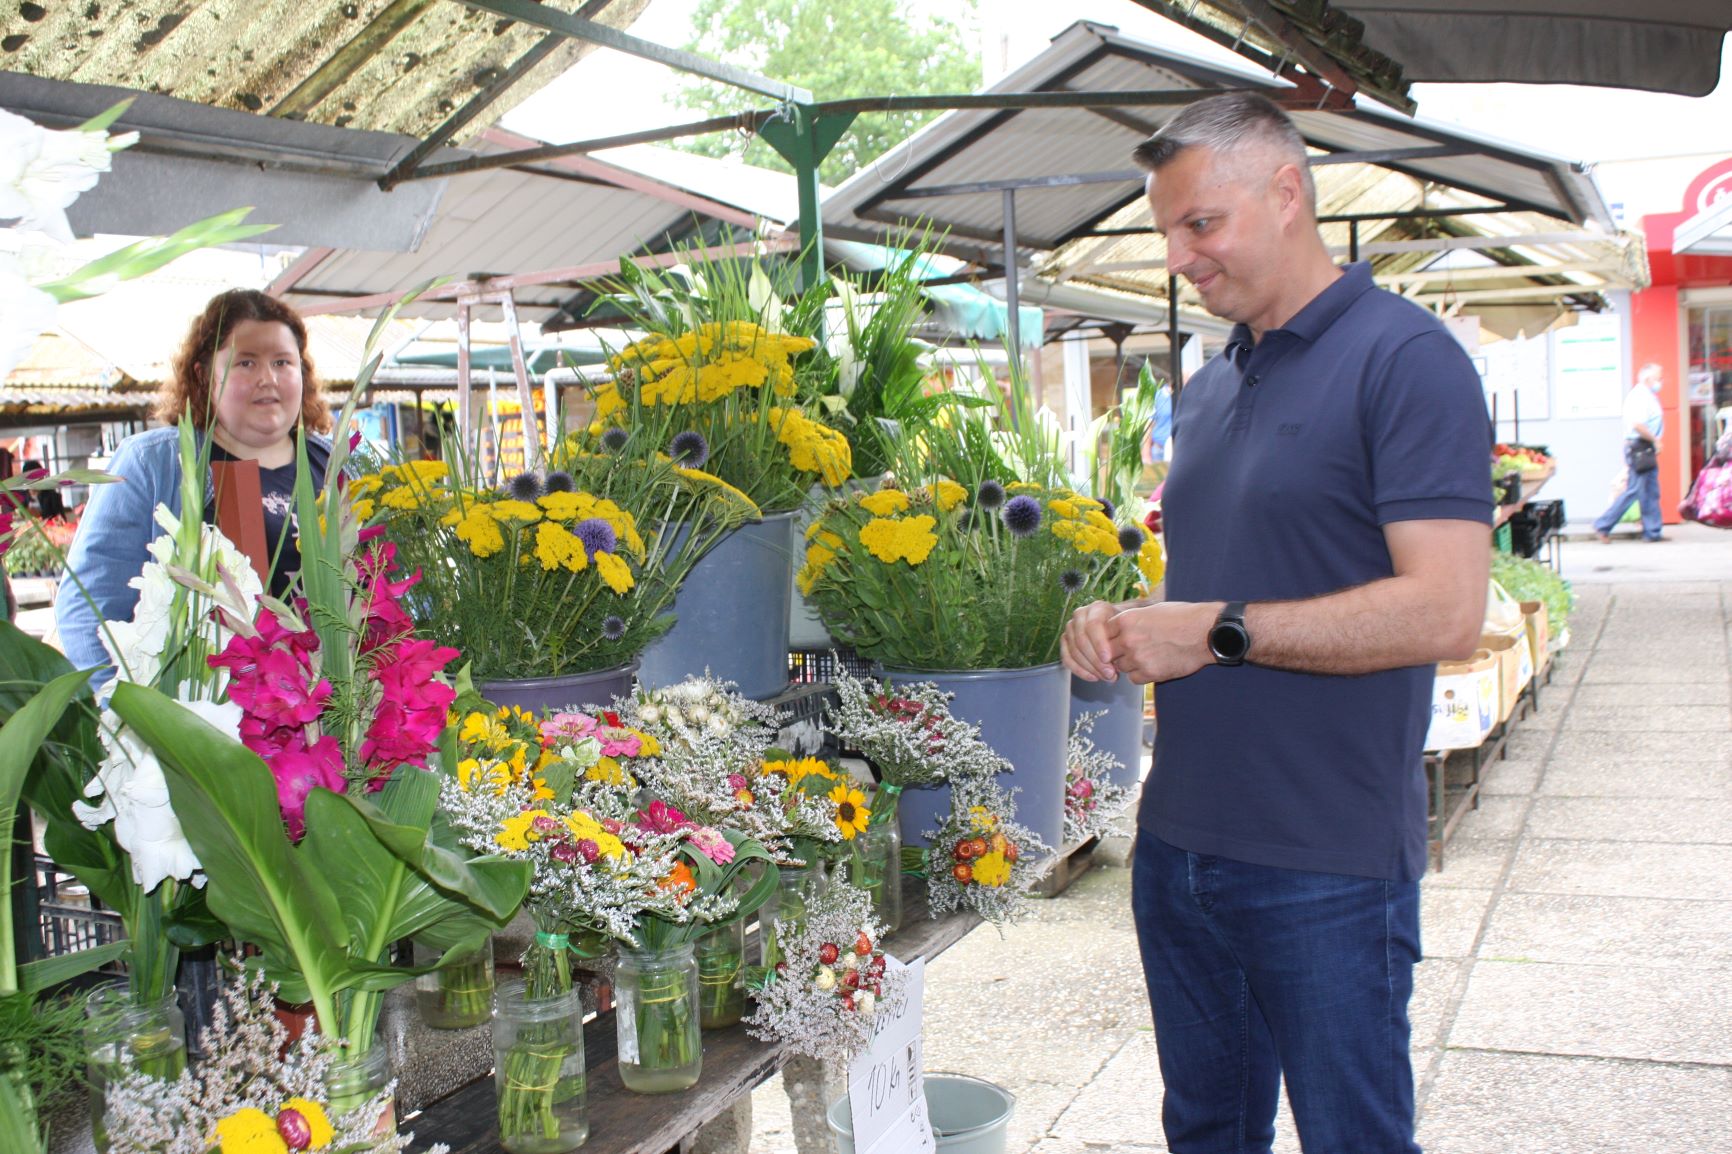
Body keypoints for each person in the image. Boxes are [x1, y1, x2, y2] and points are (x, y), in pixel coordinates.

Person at [1061, 93, 1492, 1154]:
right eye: (1167, 232)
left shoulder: (1407, 358)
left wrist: (1215, 631)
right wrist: (1122, 622)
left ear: (1288, 192)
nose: (1179, 258)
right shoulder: (1211, 386)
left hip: (1325, 859)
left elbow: (1447, 608)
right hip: (1178, 841)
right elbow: (1228, 579)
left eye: (1200, 223)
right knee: (1206, 1133)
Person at [56, 289, 333, 679]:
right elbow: (89, 613)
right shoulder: (154, 463)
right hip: (209, 710)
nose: (268, 379)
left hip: (334, 706)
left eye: (282, 362)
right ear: (204, 375)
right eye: (246, 362)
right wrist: (130, 709)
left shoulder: (335, 463)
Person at [1592, 363, 1666, 542]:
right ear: (1648, 378)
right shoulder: (1640, 397)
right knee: (1635, 489)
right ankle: (1603, 525)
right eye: (1659, 378)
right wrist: (1655, 440)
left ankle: (1653, 532)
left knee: (1650, 491)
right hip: (1640, 447)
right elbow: (1638, 424)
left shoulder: (1647, 396)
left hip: (1644, 447)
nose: (1661, 382)